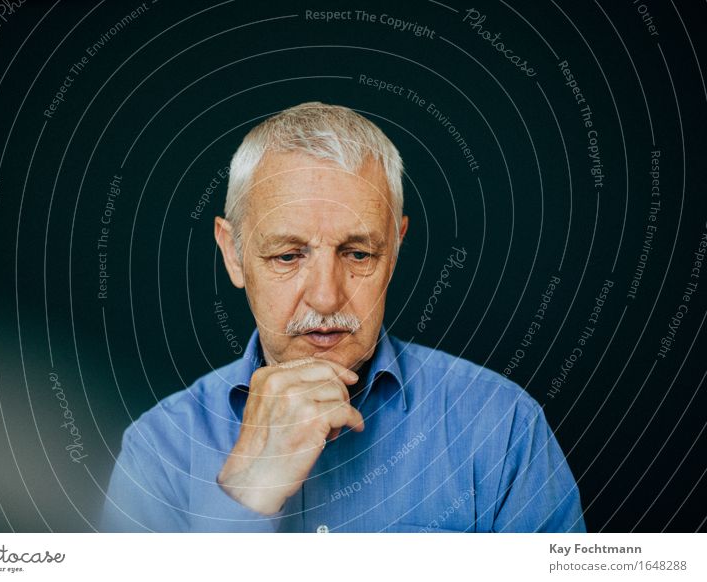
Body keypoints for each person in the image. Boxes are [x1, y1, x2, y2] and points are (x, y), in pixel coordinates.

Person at [100, 102, 585, 532]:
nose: (327, 298)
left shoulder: (500, 427)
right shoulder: (159, 450)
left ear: (393, 250)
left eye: (357, 254)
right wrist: (246, 496)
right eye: (288, 256)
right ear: (233, 254)